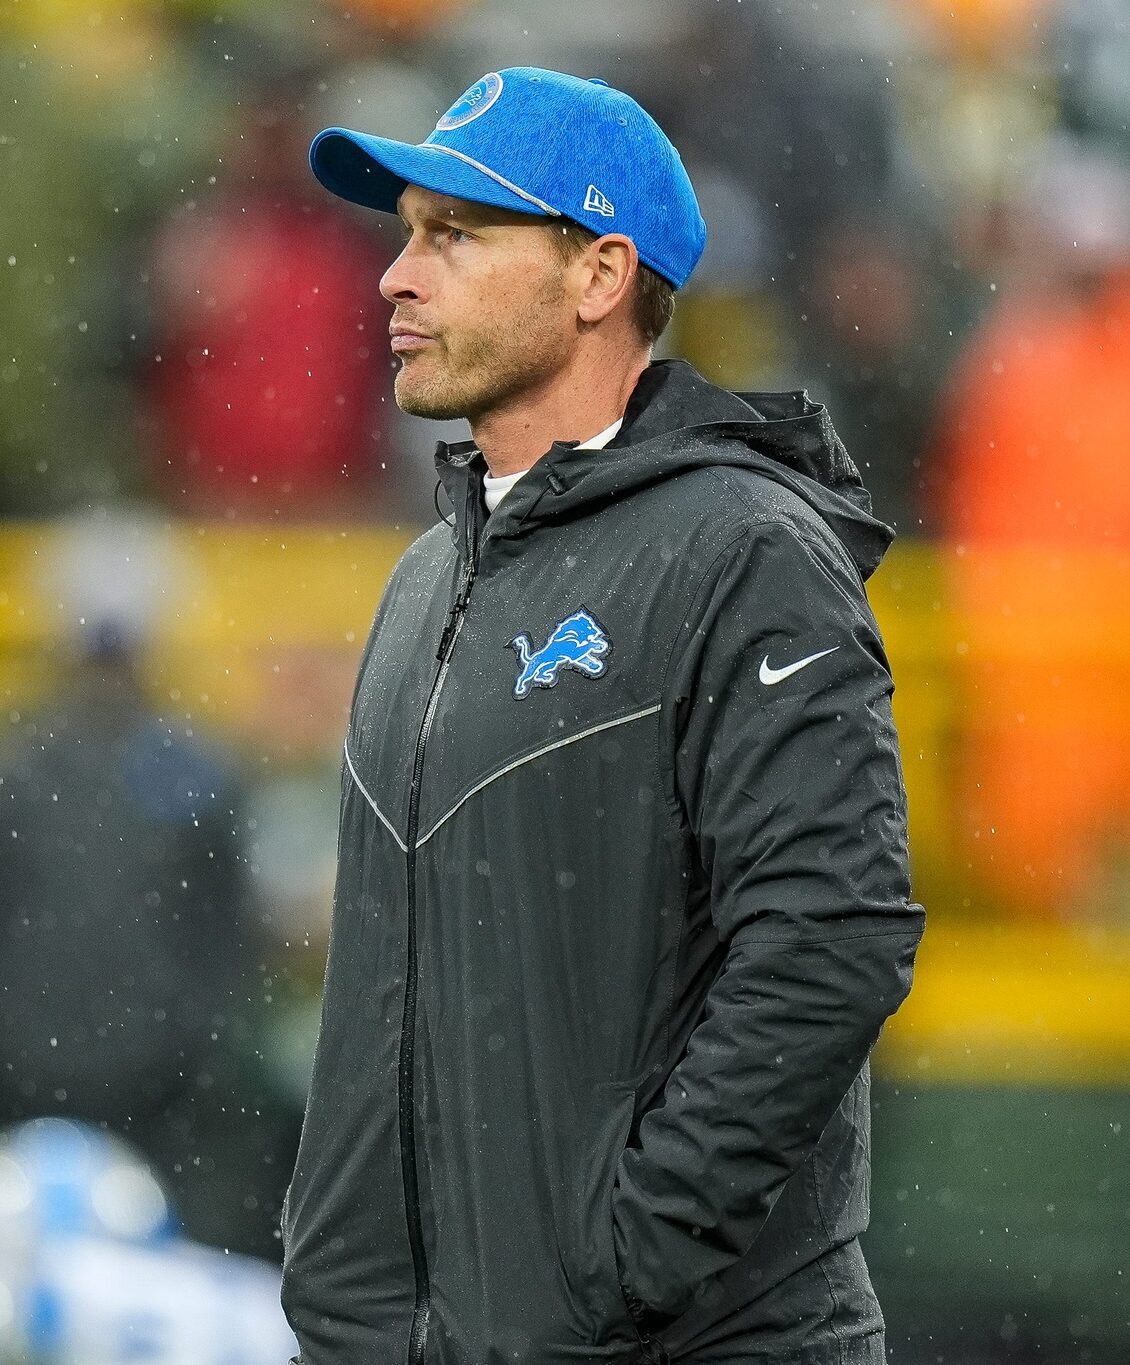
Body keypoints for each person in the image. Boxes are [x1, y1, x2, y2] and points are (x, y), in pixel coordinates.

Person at [282, 67, 924, 1365]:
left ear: (598, 277)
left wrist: (615, 1268)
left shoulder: (745, 548)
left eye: (453, 235)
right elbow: (383, 1003)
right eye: (404, 233)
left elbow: (831, 936)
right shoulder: (424, 580)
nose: (397, 277)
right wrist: (342, 1316)